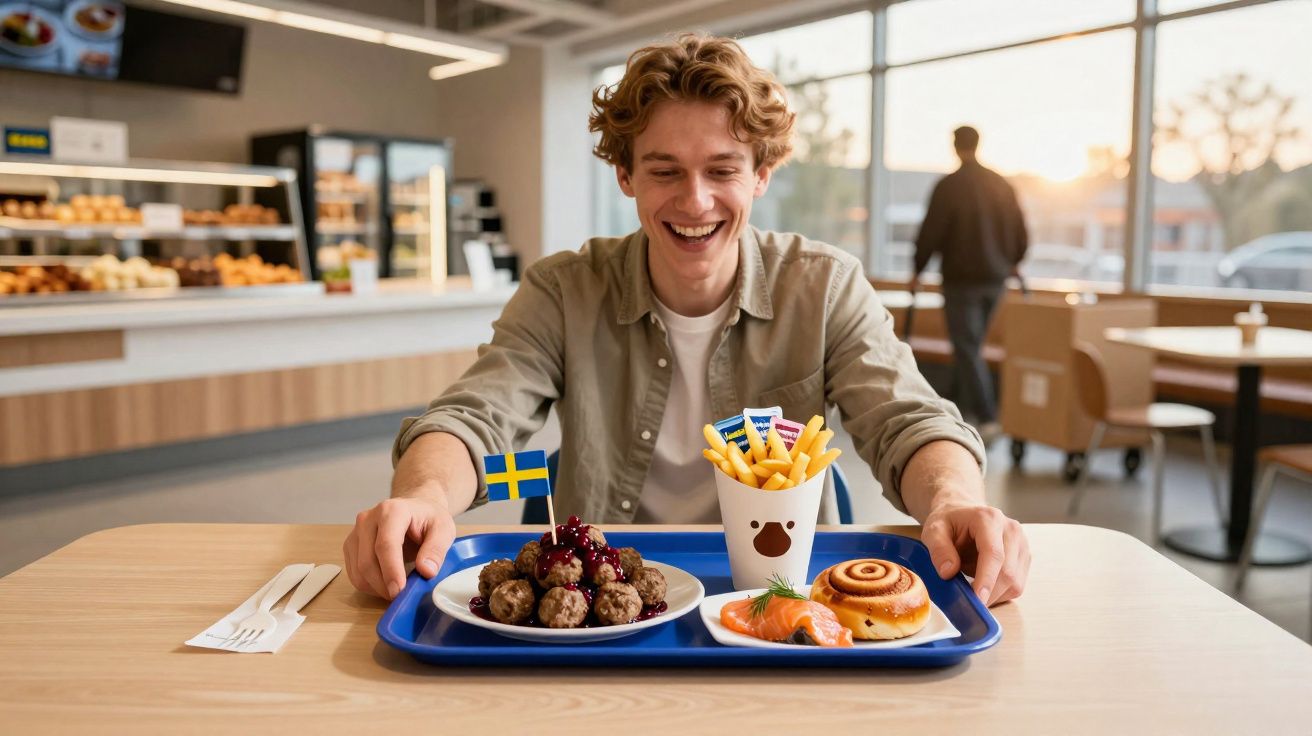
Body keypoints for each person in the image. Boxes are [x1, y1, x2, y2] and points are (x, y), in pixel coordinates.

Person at [344, 35, 1030, 608]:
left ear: (761, 174)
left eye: (722, 169)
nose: (694, 201)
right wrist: (425, 497)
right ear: (626, 176)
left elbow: (908, 421)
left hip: (774, 602)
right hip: (610, 606)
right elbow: (474, 418)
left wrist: (951, 501)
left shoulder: (822, 286)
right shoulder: (563, 289)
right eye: (664, 170)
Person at [909, 126, 1028, 445]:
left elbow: (931, 231)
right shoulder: (1001, 184)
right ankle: (962, 413)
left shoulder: (949, 186)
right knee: (969, 347)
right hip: (996, 279)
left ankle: (988, 417)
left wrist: (917, 269)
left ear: (954, 146)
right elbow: (1019, 228)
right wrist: (1014, 260)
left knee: (967, 348)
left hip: (962, 281)